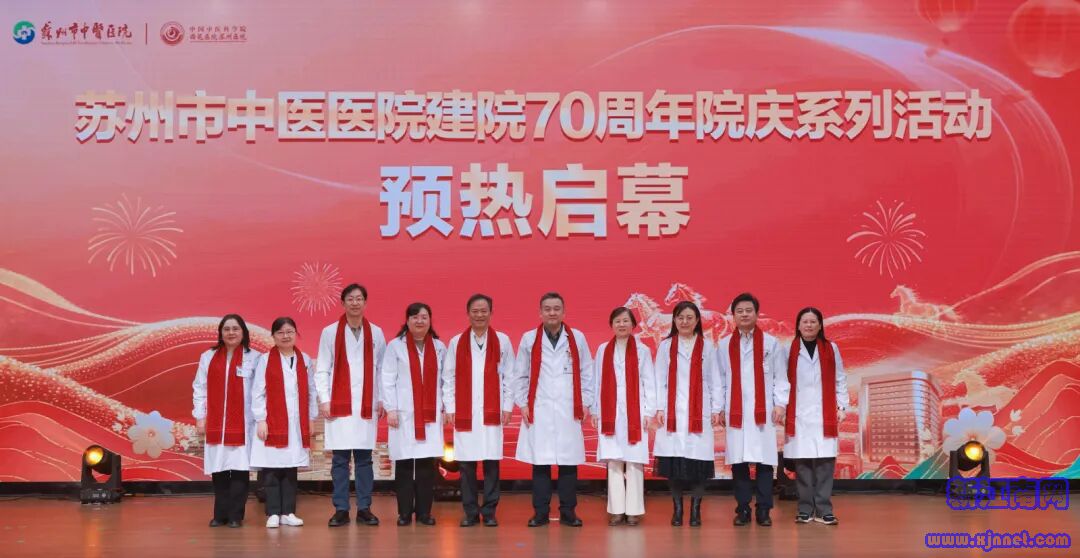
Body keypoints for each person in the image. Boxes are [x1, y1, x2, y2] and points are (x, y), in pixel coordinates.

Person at [514, 292, 594, 527]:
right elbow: (520, 374)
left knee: (568, 463)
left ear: (564, 312)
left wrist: (586, 402)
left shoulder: (577, 338)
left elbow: (587, 373)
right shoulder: (529, 339)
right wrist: (523, 403)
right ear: (540, 313)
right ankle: (540, 513)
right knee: (541, 463)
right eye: (547, 309)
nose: (552, 313)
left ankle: (568, 512)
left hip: (569, 407)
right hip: (540, 407)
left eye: (556, 308)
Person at [315, 284, 387, 527]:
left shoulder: (376, 332)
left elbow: (382, 370)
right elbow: (322, 368)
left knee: (365, 460)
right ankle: (341, 509)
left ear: (365, 302)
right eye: (350, 299)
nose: (355, 303)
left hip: (367, 404)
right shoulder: (329, 332)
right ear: (342, 303)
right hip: (339, 405)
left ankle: (364, 508)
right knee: (340, 460)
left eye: (359, 299)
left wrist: (382, 399)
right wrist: (325, 399)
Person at [716, 293, 790, 527]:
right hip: (735, 410)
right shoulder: (724, 345)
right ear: (733, 316)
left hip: (763, 410)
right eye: (739, 311)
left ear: (757, 314)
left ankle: (764, 509)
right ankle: (743, 509)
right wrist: (719, 408)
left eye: (749, 310)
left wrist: (780, 404)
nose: (744, 314)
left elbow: (780, 377)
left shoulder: (771, 343)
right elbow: (720, 380)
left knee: (764, 462)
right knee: (738, 463)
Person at [442, 294, 515, 527]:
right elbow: (448, 377)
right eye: (475, 311)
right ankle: (471, 511)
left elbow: (509, 376)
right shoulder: (457, 342)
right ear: (468, 314)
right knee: (466, 465)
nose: (480, 315)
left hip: (492, 409)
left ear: (491, 313)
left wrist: (507, 406)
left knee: (492, 463)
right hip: (466, 411)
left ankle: (490, 511)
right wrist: (450, 407)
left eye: (484, 311)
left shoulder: (502, 341)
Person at [653, 301, 722, 527]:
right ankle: (677, 510)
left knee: (698, 464)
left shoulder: (707, 346)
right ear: (674, 320)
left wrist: (716, 408)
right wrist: (659, 407)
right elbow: (659, 379)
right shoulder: (666, 346)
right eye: (680, 317)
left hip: (699, 411)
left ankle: (695, 510)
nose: (684, 322)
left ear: (697, 321)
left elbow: (715, 380)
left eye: (689, 317)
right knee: (674, 463)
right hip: (672, 411)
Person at [589, 306, 656, 526]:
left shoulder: (643, 350)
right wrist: (595, 410)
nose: (622, 324)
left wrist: (649, 411)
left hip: (635, 412)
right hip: (610, 411)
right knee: (614, 461)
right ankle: (616, 510)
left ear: (633, 324)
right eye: (617, 321)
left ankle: (634, 511)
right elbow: (597, 381)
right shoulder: (603, 350)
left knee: (634, 462)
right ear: (611, 325)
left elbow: (649, 382)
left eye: (626, 321)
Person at [382, 302, 447, 526]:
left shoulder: (439, 347)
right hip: (403, 414)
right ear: (407, 321)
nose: (419, 321)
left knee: (427, 466)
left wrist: (446, 406)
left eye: (424, 317)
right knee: (404, 465)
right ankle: (404, 513)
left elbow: (446, 381)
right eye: (415, 317)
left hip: (430, 414)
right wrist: (390, 408)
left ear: (430, 320)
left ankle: (424, 513)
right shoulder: (395, 346)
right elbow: (387, 379)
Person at [193, 314, 261, 528]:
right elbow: (199, 387)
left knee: (240, 468)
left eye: (235, 329)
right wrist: (200, 416)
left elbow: (260, 391)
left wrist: (261, 418)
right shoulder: (208, 357)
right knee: (219, 468)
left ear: (243, 332)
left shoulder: (255, 358)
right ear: (221, 333)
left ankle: (235, 515)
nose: (231, 333)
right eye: (227, 329)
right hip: (216, 422)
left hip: (243, 423)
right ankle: (219, 514)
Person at [783, 307, 848, 526]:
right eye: (805, 321)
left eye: (813, 322)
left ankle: (824, 509)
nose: (809, 325)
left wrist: (842, 406)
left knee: (825, 464)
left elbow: (840, 378)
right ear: (798, 325)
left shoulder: (831, 348)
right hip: (798, 414)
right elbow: (781, 381)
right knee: (802, 465)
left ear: (820, 325)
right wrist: (781, 406)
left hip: (824, 412)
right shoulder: (788, 350)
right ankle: (804, 509)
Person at [250, 317, 317, 529]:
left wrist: (311, 418)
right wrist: (261, 420)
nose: (285, 336)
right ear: (273, 336)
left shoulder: (304, 359)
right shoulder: (265, 360)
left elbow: (311, 391)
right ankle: (272, 512)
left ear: (296, 334)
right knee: (271, 469)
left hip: (296, 422)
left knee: (290, 469)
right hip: (272, 421)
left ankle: (288, 512)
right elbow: (258, 392)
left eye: (289, 332)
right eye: (280, 332)